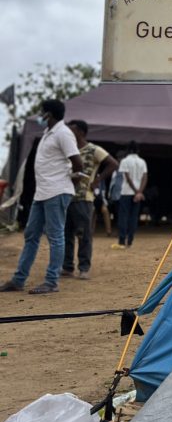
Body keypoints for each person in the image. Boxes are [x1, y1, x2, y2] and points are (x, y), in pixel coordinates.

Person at [0, 99, 83, 294]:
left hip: (56, 191)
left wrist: (68, 184)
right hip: (43, 193)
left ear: (49, 114)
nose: (40, 115)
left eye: (42, 112)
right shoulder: (49, 133)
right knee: (31, 236)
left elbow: (78, 163)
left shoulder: (63, 133)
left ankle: (51, 282)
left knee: (55, 237)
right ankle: (18, 280)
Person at [62, 120, 117, 280]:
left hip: (83, 198)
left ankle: (84, 268)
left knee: (84, 234)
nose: (69, 133)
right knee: (66, 234)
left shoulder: (93, 150)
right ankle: (67, 267)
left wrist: (98, 180)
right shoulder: (69, 150)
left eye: (72, 130)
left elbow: (113, 164)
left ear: (81, 132)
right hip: (66, 196)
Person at [112, 142, 148, 249]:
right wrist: (140, 192)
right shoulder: (142, 161)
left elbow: (127, 178)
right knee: (133, 217)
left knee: (123, 217)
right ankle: (130, 241)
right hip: (138, 194)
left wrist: (136, 191)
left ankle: (122, 241)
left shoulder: (125, 161)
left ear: (128, 150)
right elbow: (145, 177)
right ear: (138, 151)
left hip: (126, 192)